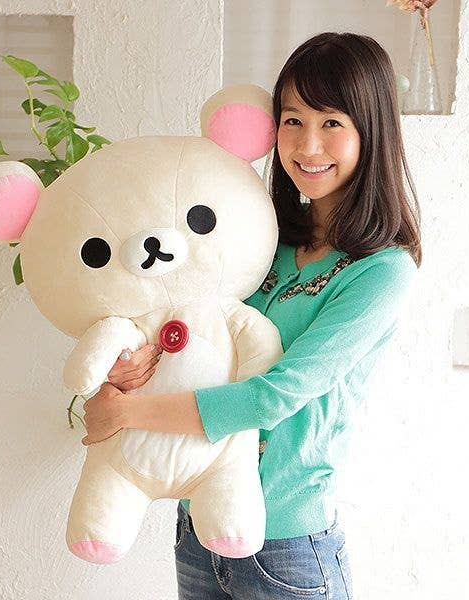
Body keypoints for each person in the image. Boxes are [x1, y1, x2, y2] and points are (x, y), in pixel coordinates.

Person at [80, 32, 421, 599]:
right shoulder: (257, 240)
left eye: (332, 123)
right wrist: (126, 371)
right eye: (293, 120)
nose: (308, 145)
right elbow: (188, 335)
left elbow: (276, 395)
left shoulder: (381, 271)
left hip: (288, 548)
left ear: (372, 130)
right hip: (198, 529)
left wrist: (128, 414)